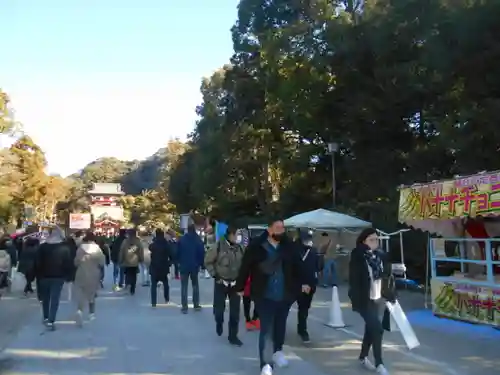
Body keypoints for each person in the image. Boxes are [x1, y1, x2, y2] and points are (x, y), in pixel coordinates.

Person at [235, 218, 312, 375]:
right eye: (277, 228)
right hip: (264, 294)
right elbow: (245, 266)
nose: (280, 231)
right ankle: (266, 364)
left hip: (285, 294)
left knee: (280, 325)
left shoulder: (288, 246)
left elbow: (299, 265)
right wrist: (240, 286)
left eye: (282, 228)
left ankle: (278, 351)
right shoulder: (257, 246)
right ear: (269, 229)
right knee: (266, 329)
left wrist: (305, 281)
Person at [348, 227, 394, 375]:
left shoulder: (379, 256)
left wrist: (390, 294)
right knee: (377, 328)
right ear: (363, 241)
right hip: (363, 299)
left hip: (377, 298)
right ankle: (379, 363)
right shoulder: (358, 257)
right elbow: (354, 280)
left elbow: (386, 277)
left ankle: (362, 357)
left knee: (371, 328)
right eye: (371, 240)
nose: (375, 242)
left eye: (376, 239)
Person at [205, 226, 244, 346]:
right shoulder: (218, 247)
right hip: (221, 282)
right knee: (219, 309)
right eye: (237, 234)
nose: (239, 237)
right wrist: (215, 276)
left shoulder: (241, 248)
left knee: (235, 312)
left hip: (235, 284)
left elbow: (245, 264)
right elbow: (208, 261)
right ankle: (219, 321)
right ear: (230, 234)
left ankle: (233, 336)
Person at [34, 227, 72, 331]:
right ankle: (51, 320)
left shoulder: (42, 247)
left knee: (45, 298)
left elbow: (37, 263)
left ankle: (46, 317)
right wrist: (68, 277)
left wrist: (38, 274)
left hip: (43, 277)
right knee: (55, 299)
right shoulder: (64, 248)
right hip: (58, 277)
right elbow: (68, 264)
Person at [73, 231, 106, 327]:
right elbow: (102, 262)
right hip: (94, 274)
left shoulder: (80, 249)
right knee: (92, 294)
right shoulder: (97, 249)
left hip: (81, 273)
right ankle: (91, 314)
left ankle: (79, 311)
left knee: (81, 294)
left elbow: (76, 262)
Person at [296, 230, 321, 344]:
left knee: (304, 308)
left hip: (310, 285)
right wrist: (301, 284)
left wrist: (320, 256)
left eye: (310, 238)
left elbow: (319, 266)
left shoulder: (314, 251)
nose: (309, 241)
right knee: (285, 308)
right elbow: (292, 269)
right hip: (297, 284)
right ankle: (301, 330)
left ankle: (302, 329)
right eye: (307, 238)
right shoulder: (295, 251)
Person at [177, 224, 204, 313]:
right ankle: (196, 305)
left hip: (184, 266)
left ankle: (184, 307)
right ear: (194, 230)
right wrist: (201, 264)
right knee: (195, 285)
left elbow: (177, 251)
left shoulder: (182, 239)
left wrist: (179, 262)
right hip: (194, 266)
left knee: (184, 286)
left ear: (187, 230)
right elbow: (201, 252)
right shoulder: (198, 240)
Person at [149, 228, 172, 307]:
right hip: (164, 267)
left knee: (153, 285)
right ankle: (166, 298)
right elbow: (170, 254)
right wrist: (170, 263)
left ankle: (153, 302)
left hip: (154, 267)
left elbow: (150, 247)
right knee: (165, 283)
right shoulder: (166, 244)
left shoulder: (153, 244)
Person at [119, 228, 144, 295]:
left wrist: (120, 259)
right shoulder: (138, 241)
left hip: (127, 261)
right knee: (134, 275)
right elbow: (141, 250)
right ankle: (133, 287)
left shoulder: (125, 241)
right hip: (135, 261)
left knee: (127, 274)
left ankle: (128, 284)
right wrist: (141, 258)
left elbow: (122, 251)